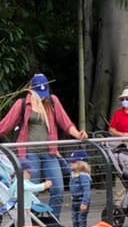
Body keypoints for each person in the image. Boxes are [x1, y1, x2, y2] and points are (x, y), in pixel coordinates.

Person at [0, 73, 87, 219]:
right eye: (38, 93)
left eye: (43, 92)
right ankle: (33, 224)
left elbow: (65, 123)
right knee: (31, 192)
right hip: (29, 154)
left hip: (50, 152)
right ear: (30, 89)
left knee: (58, 188)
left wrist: (78, 134)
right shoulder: (22, 104)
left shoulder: (52, 101)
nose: (41, 97)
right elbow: (5, 126)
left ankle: (53, 224)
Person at [11, 159, 53, 226]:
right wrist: (44, 185)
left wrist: (43, 185)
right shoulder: (19, 182)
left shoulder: (25, 181)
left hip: (25, 208)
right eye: (29, 172)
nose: (31, 174)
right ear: (21, 172)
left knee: (28, 226)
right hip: (19, 210)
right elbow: (33, 188)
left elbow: (33, 186)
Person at [66, 150, 92, 227]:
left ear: (80, 163)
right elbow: (65, 167)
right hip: (75, 201)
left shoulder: (83, 176)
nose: (71, 163)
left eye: (73, 162)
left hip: (81, 201)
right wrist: (59, 158)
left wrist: (84, 202)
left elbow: (87, 190)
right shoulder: (73, 173)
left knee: (81, 220)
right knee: (75, 219)